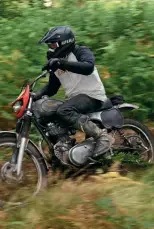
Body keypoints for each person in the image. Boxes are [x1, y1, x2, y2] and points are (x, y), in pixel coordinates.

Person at [34, 25, 114, 165]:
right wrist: (35, 95)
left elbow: (88, 67)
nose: (50, 48)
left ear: (64, 42)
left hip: (92, 95)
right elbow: (52, 88)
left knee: (64, 110)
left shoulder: (80, 51)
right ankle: (64, 150)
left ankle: (102, 136)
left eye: (52, 44)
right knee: (51, 116)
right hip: (75, 99)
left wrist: (62, 63)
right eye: (49, 45)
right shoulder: (56, 63)